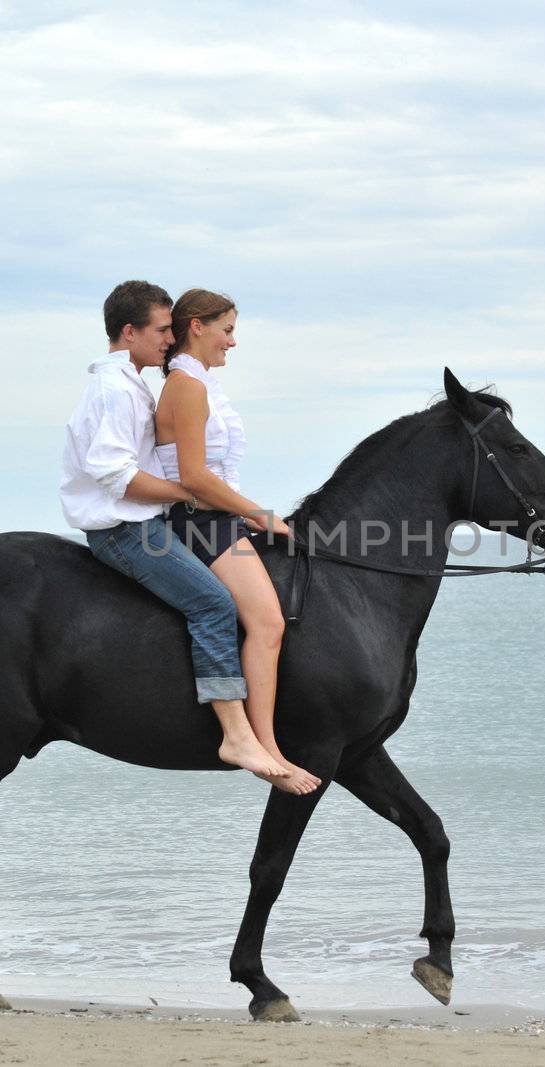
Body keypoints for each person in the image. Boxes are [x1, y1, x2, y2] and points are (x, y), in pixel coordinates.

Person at [59, 280, 288, 785]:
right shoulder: (122, 389)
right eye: (163, 329)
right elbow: (125, 476)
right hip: (127, 529)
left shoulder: (138, 383)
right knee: (213, 605)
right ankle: (238, 735)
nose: (169, 339)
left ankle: (260, 737)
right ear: (129, 331)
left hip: (157, 518)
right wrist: (210, 501)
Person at [154, 288, 321, 795]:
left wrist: (241, 511)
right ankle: (264, 749)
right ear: (198, 326)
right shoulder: (186, 386)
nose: (233, 342)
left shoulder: (200, 385)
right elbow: (193, 477)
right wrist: (258, 513)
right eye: (227, 330)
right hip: (201, 523)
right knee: (267, 622)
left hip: (221, 518)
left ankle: (265, 742)